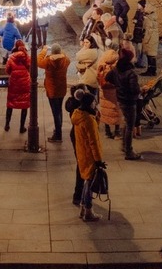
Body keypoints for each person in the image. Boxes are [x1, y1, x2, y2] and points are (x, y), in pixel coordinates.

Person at [70, 87, 105, 222]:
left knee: (86, 181)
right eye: (94, 102)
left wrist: (97, 119)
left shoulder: (78, 115)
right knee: (89, 183)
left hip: (82, 152)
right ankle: (88, 210)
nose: (95, 104)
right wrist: (98, 160)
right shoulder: (88, 120)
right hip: (89, 154)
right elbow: (93, 141)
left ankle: (84, 209)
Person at [38, 43, 71, 142]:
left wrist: (44, 50)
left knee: (55, 112)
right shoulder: (65, 60)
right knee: (59, 110)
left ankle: (58, 135)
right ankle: (58, 130)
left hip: (52, 90)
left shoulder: (48, 61)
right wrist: (59, 51)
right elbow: (65, 55)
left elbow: (38, 62)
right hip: (61, 89)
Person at [4, 41, 32, 134]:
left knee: (10, 103)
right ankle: (21, 127)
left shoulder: (11, 57)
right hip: (25, 83)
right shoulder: (27, 57)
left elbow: (7, 70)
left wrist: (13, 74)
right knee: (24, 104)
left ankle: (7, 124)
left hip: (14, 83)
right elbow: (30, 67)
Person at [140, 0, 160, 76]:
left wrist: (145, 40)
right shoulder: (153, 17)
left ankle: (151, 71)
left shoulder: (149, 18)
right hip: (154, 38)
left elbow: (148, 31)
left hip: (150, 39)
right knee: (152, 55)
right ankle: (152, 70)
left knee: (150, 56)